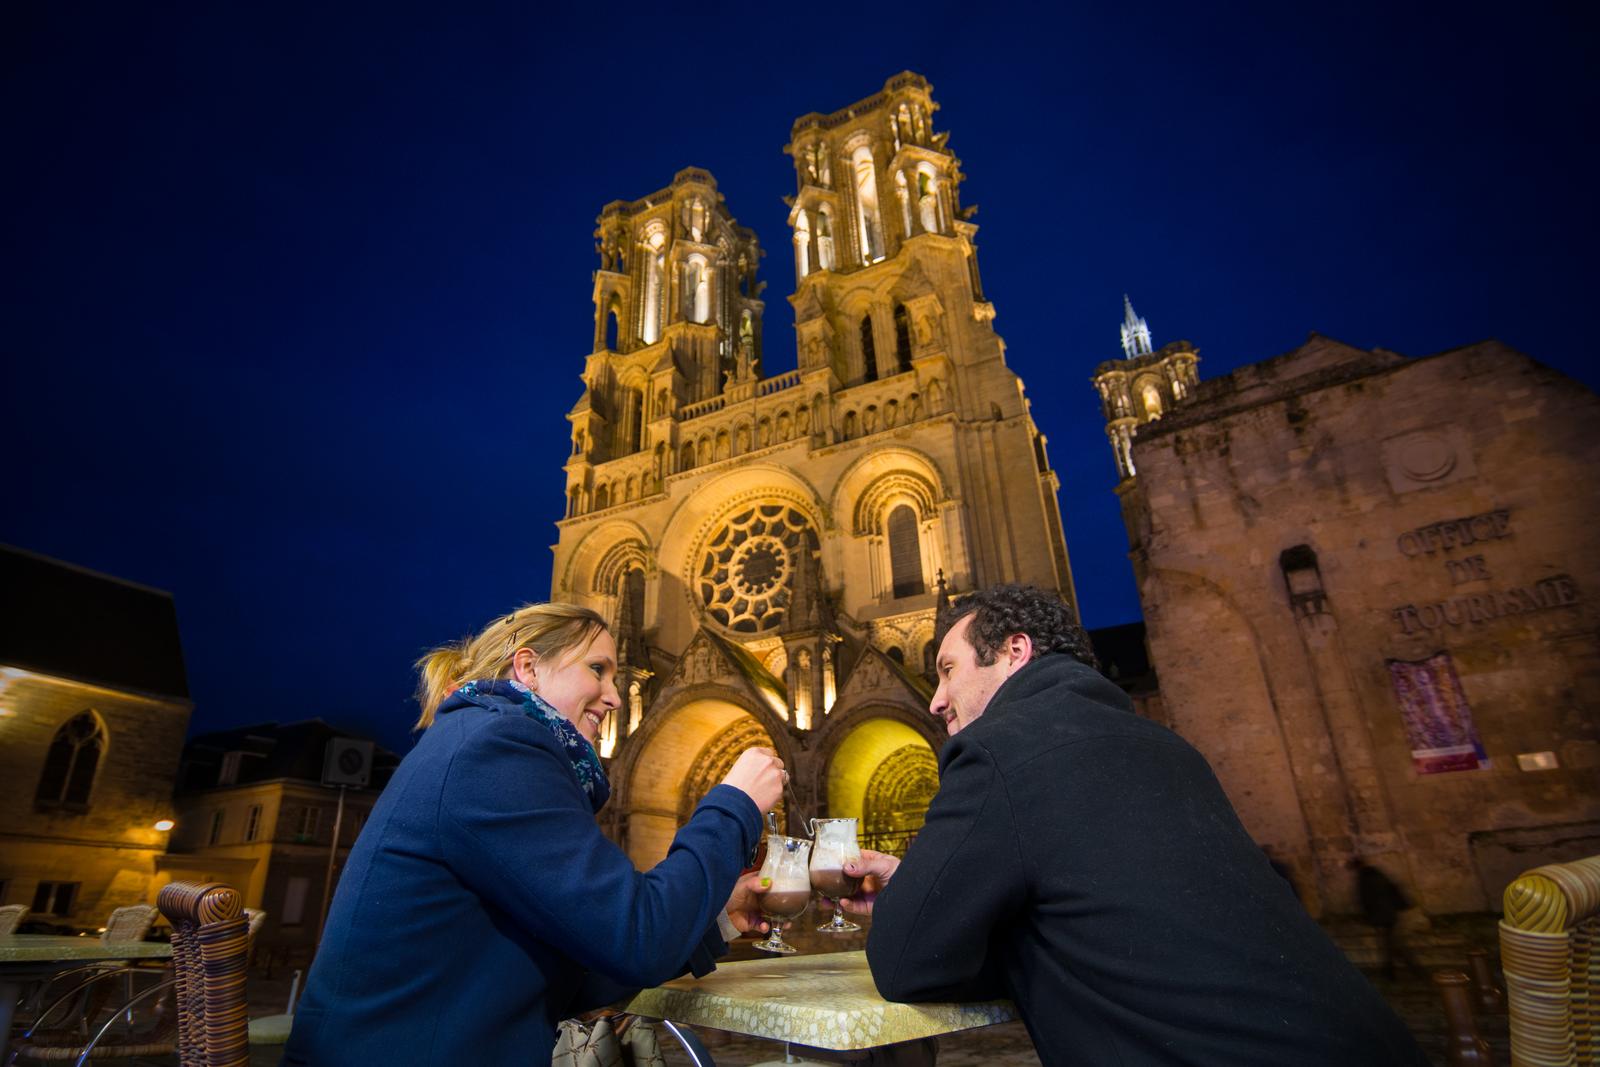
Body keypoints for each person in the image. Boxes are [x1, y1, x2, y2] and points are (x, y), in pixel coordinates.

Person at [841, 584, 1427, 1066]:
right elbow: (1104, 923)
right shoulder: (1168, 747)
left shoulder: (997, 749)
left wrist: (919, 901)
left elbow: (904, 964)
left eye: (948, 670)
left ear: (1015, 651)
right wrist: (930, 886)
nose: (937, 699)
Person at [283, 603, 785, 1065]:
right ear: (527, 668)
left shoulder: (482, 738)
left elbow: (578, 971)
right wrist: (734, 803)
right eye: (597, 669)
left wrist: (719, 916)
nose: (615, 696)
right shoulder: (497, 749)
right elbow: (638, 937)